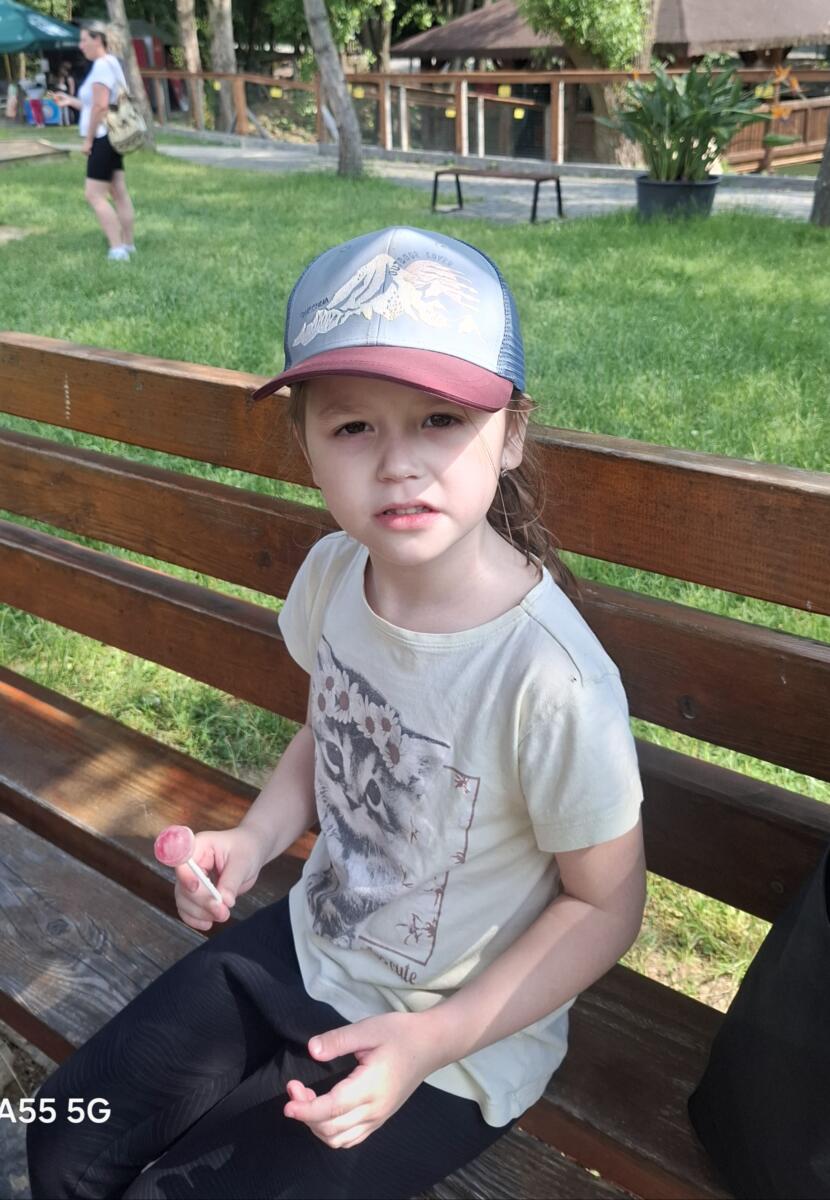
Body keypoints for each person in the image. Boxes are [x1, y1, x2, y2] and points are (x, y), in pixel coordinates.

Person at [26, 226, 647, 1199]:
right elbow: (332, 731)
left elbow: (606, 903)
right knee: (61, 1136)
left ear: (512, 432)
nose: (398, 464)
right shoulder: (334, 575)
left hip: (449, 1041)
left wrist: (433, 1039)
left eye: (440, 419)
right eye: (354, 427)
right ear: (307, 447)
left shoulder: (548, 678)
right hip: (306, 946)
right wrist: (255, 837)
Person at [53, 23, 136, 262]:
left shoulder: (101, 66)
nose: (81, 46)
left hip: (102, 137)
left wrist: (88, 140)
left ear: (98, 40)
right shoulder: (112, 63)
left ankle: (117, 249)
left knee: (94, 195)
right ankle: (128, 244)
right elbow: (95, 105)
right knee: (118, 191)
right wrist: (70, 101)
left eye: (84, 40)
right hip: (113, 135)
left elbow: (100, 107)